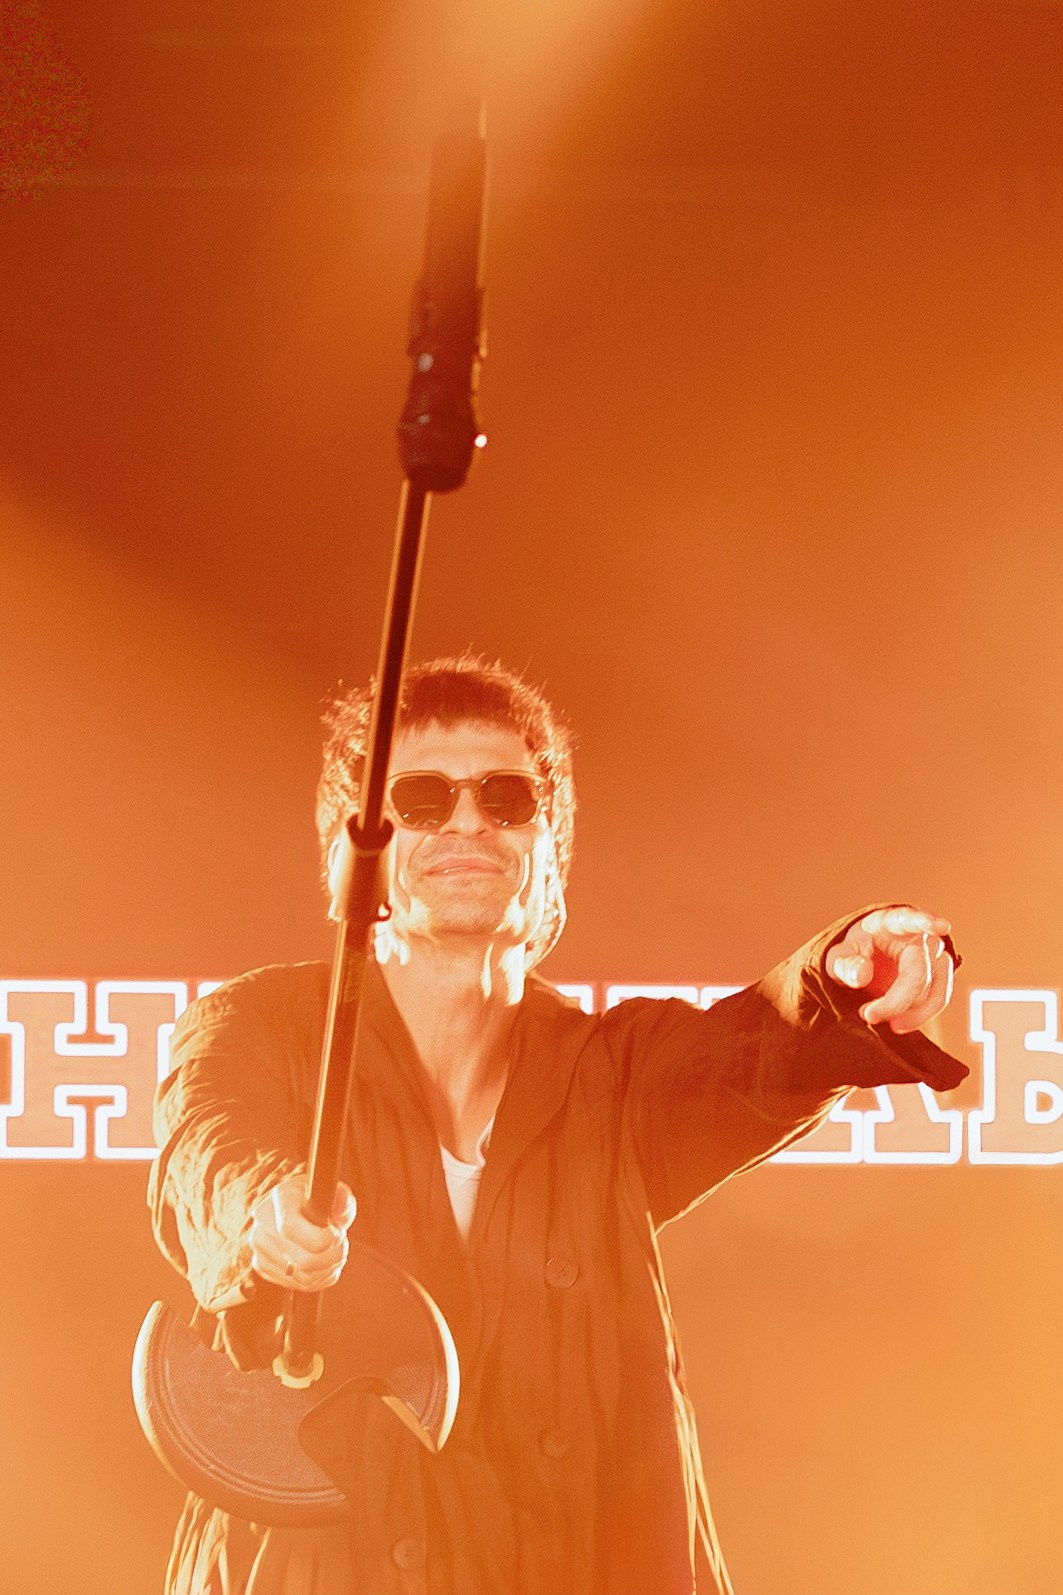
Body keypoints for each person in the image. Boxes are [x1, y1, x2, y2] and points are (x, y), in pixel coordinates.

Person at [149, 653, 965, 1595]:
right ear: (352, 855)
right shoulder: (257, 1024)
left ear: (550, 856)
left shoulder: (614, 1070)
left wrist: (845, 972)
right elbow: (206, 1146)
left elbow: (760, 1044)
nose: (467, 821)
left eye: (506, 798)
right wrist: (264, 1211)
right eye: (420, 798)